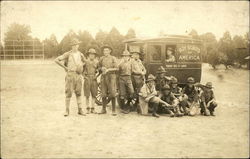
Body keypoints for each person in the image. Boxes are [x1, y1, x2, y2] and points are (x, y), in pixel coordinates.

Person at [54, 38, 86, 116]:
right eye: (73, 45)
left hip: (78, 75)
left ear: (78, 45)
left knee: (78, 93)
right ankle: (67, 110)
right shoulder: (68, 54)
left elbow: (86, 61)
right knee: (68, 93)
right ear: (71, 46)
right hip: (70, 75)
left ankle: (80, 110)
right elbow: (56, 60)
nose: (75, 46)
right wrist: (65, 68)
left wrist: (81, 66)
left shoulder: (80, 54)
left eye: (76, 45)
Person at [98, 45, 118, 116]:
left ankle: (113, 110)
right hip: (103, 77)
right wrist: (101, 68)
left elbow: (117, 68)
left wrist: (109, 69)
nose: (105, 52)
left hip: (111, 77)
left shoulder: (113, 58)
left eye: (107, 50)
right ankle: (103, 109)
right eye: (104, 51)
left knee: (112, 93)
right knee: (103, 94)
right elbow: (98, 67)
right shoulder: (101, 58)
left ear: (110, 51)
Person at [83, 48, 99, 114]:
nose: (92, 56)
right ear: (88, 55)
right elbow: (81, 71)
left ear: (95, 55)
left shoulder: (97, 62)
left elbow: (99, 70)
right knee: (87, 95)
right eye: (90, 54)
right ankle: (87, 108)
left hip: (94, 79)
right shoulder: (85, 62)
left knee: (94, 94)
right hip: (87, 78)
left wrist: (96, 76)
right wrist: (84, 77)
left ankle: (93, 108)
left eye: (93, 54)